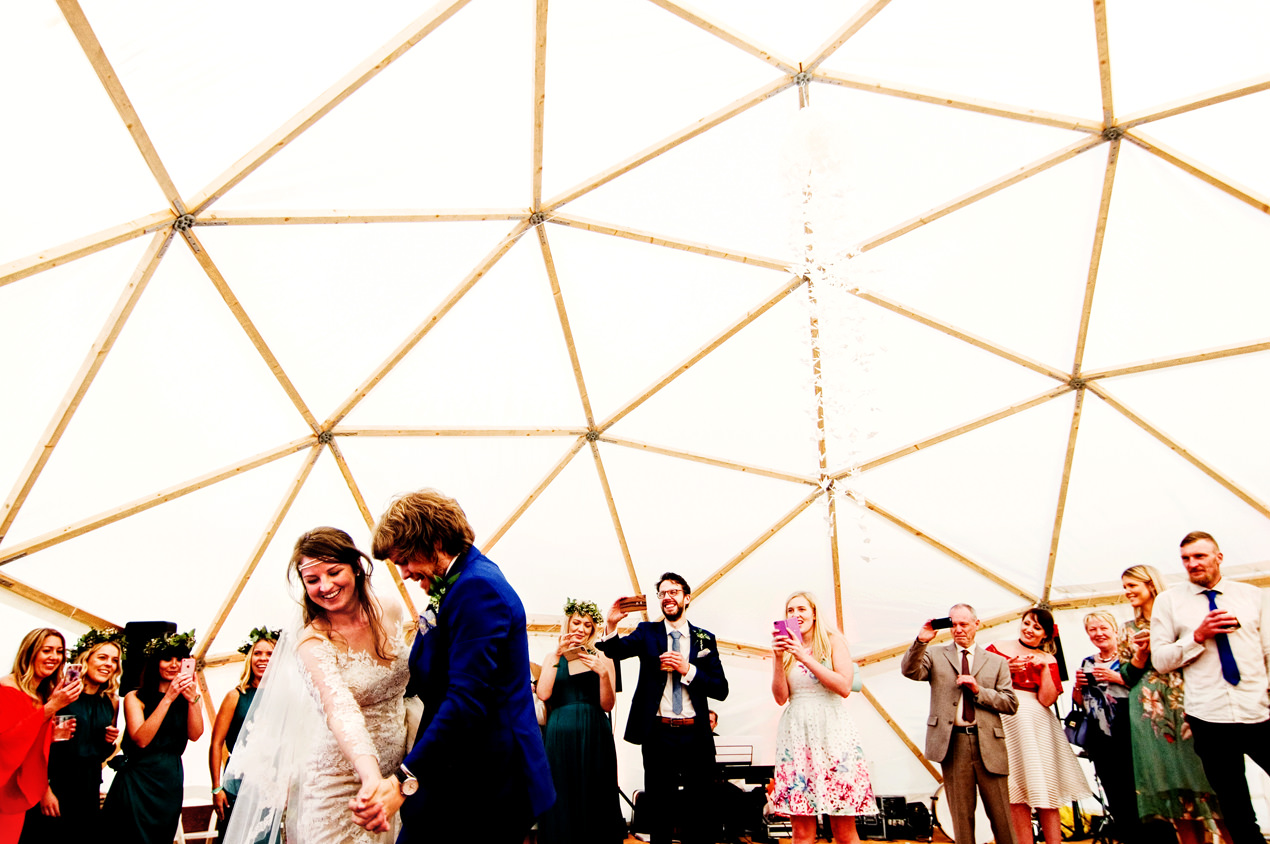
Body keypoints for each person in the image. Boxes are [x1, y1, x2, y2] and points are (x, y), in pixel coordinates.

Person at [353, 489, 554, 844]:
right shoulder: (461, 581)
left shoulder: (476, 589)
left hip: (486, 779)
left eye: (405, 560)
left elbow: (466, 700)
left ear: (432, 540)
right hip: (462, 772)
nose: (404, 573)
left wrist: (404, 779)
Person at [222, 527, 412, 844]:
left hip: (396, 772)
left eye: (334, 572)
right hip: (341, 780)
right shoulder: (312, 641)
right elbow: (340, 710)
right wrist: (370, 780)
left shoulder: (390, 608)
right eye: (312, 580)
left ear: (355, 565)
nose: (325, 586)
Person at [1150, 531, 1269, 844]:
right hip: (1209, 714)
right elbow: (1160, 660)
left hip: (1258, 709)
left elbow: (1269, 651)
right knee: (1234, 801)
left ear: (1219, 557)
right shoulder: (1169, 602)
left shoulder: (1252, 596)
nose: (1192, 564)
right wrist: (1197, 636)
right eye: (1186, 559)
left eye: (1199, 556)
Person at [595, 572, 729, 844]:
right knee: (659, 808)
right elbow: (615, 651)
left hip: (696, 734)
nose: (668, 597)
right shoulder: (648, 633)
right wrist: (610, 626)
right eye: (662, 593)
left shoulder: (704, 639)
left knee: (699, 808)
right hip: (658, 733)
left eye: (674, 592)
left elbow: (720, 689)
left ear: (686, 598)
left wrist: (687, 669)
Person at [1117, 563, 1223, 844]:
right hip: (1149, 713)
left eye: (1132, 585)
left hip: (1186, 703)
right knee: (1171, 787)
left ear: (1151, 584)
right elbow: (1127, 676)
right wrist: (1140, 656)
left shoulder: (1179, 619)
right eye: (1124, 586)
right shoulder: (1127, 629)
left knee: (1207, 781)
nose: (1127, 592)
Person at [900, 603, 1017, 844]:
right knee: (961, 818)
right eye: (953, 625)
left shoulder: (996, 662)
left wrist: (978, 690)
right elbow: (910, 672)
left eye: (964, 624)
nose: (959, 629)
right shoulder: (934, 654)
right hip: (953, 744)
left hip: (989, 744)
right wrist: (921, 641)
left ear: (977, 624)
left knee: (1002, 816)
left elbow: (1010, 703)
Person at [770, 591, 876, 844]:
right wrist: (777, 658)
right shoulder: (786, 650)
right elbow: (780, 697)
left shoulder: (833, 642)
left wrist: (804, 657)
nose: (796, 615)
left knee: (844, 831)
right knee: (802, 832)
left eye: (801, 609)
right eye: (790, 611)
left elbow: (843, 687)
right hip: (797, 736)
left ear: (814, 613)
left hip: (832, 734)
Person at [986, 607, 1091, 844]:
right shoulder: (998, 647)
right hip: (1005, 717)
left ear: (1045, 635)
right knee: (1014, 790)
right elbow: (980, 681)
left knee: (1044, 786)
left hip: (1036, 722)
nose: (1029, 630)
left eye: (1037, 627)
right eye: (1027, 623)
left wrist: (1044, 669)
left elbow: (1047, 699)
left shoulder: (1048, 658)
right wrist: (1005, 671)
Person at [19, 628, 122, 843]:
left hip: (89, 786)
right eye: (102, 657)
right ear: (85, 659)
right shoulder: (59, 693)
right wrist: (44, 791)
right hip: (56, 783)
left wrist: (108, 742)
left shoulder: (111, 701)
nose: (108, 664)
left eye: (114, 660)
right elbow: (36, 745)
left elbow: (101, 753)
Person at [101, 629, 204, 844]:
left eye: (179, 660)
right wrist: (168, 698)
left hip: (169, 779)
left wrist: (193, 699)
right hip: (138, 778)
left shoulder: (190, 698)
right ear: (156, 662)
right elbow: (141, 739)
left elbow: (195, 734)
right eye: (167, 659)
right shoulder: (134, 697)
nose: (173, 665)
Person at [536, 597, 622, 844]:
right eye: (576, 623)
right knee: (562, 789)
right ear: (568, 624)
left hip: (594, 727)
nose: (581, 629)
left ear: (593, 629)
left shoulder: (603, 656)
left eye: (587, 625)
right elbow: (543, 694)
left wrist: (603, 673)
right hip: (560, 730)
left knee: (595, 789)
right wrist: (557, 654)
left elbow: (608, 704)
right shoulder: (552, 656)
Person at [0, 628, 81, 843]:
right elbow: (7, 742)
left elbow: (27, 738)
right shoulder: (6, 688)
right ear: (30, 652)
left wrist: (49, 734)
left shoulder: (42, 693)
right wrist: (52, 707)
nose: (54, 657)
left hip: (18, 792)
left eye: (59, 651)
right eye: (47, 650)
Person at [1070, 611, 1140, 844]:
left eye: (1103, 628)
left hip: (1131, 734)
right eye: (1093, 629)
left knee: (1138, 791)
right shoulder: (1087, 662)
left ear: (1115, 630)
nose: (1098, 633)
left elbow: (1141, 690)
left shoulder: (1129, 658)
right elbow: (1081, 702)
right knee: (1115, 793)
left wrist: (1114, 677)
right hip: (1100, 739)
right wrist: (1078, 687)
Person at [208, 626, 276, 844]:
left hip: (269, 785)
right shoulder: (235, 696)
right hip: (236, 784)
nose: (263, 658)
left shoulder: (283, 700)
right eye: (258, 653)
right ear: (249, 658)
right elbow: (216, 743)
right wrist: (217, 787)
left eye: (269, 654)